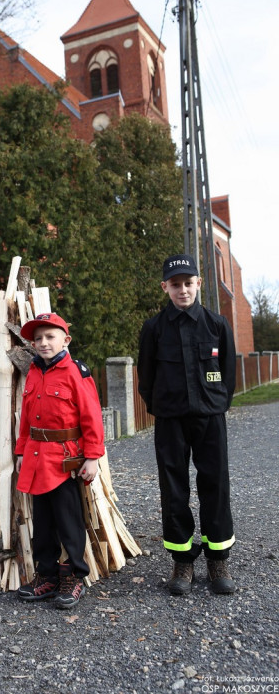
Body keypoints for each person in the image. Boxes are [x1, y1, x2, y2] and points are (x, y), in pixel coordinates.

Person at [137, 253, 237, 596]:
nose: (182, 290)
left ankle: (217, 559)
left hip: (209, 418)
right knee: (174, 489)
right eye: (175, 284)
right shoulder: (153, 329)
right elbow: (146, 378)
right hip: (170, 420)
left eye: (188, 283)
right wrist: (161, 407)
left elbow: (228, 373)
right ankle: (182, 561)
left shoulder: (217, 325)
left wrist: (217, 405)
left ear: (198, 283)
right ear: (165, 287)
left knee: (215, 485)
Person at [14, 312, 105, 609]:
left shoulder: (75, 372)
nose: (43, 343)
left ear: (65, 340)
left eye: (50, 337)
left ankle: (75, 576)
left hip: (66, 460)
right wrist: (20, 452)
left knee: (69, 521)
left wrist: (92, 457)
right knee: (42, 522)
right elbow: (27, 419)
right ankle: (48, 575)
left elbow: (92, 417)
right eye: (38, 338)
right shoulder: (34, 372)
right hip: (37, 459)